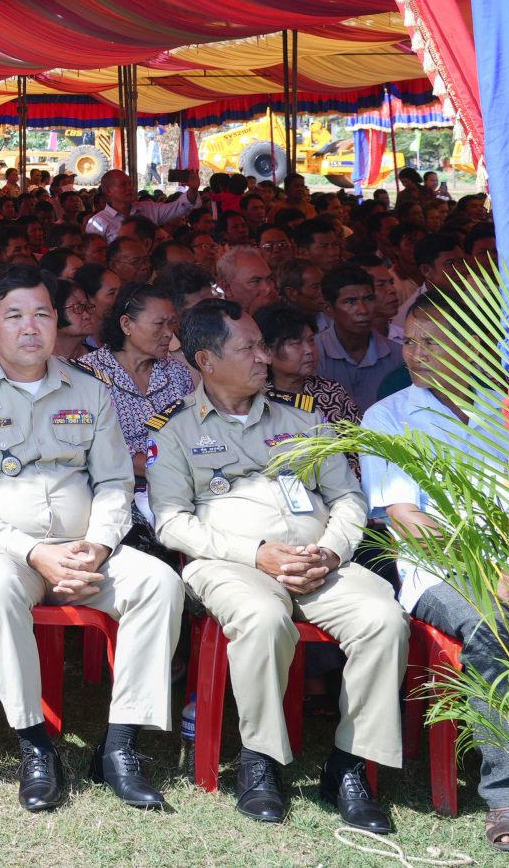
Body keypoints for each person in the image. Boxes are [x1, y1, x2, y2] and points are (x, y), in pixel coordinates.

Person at [145, 297, 404, 833]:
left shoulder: (303, 418)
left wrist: (331, 550)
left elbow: (348, 497)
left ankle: (349, 764)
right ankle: (259, 759)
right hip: (229, 564)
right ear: (206, 360)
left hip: (317, 561)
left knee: (384, 619)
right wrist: (256, 553)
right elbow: (171, 522)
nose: (264, 357)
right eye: (249, 348)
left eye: (263, 345)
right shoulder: (174, 429)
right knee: (263, 619)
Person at [0, 263, 180, 813]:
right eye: (15, 316)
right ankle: (35, 746)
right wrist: (33, 552)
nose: (31, 328)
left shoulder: (89, 388)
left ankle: (119, 746)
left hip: (83, 550)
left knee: (160, 583)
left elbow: (115, 481)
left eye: (42, 314)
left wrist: (99, 546)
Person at [359, 289, 509, 849]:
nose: (415, 355)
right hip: (440, 571)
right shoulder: (389, 415)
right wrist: (488, 571)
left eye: (433, 343)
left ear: (473, 344)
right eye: (410, 342)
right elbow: (406, 518)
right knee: (495, 625)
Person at [76, 283, 193, 476]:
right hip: (115, 484)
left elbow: (193, 434)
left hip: (179, 479)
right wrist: (165, 472)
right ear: (126, 324)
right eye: (159, 324)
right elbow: (94, 445)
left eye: (171, 323)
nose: (168, 333)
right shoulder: (88, 374)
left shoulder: (177, 373)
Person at [315, 265, 404, 413]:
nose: (363, 310)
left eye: (368, 299)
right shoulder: (313, 354)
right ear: (329, 309)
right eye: (350, 301)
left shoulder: (397, 355)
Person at [260, 306, 358, 425]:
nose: (309, 350)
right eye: (296, 343)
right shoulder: (257, 399)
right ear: (267, 351)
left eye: (311, 340)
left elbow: (357, 435)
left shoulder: (333, 392)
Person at [85, 169, 193, 240]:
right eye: (123, 185)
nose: (129, 188)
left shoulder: (149, 208)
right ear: (108, 190)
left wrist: (193, 189)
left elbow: (179, 208)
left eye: (130, 184)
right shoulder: (99, 222)